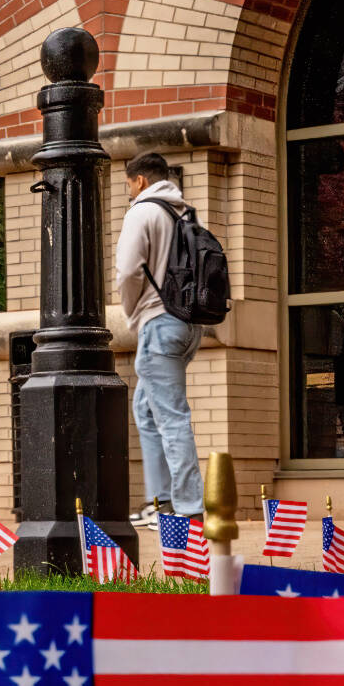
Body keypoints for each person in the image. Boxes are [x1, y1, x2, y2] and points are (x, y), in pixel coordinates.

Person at [114, 151, 204, 526]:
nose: (129, 191)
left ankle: (186, 509)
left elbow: (128, 272)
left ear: (140, 181)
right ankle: (161, 501)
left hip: (159, 323)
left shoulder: (142, 211)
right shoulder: (186, 212)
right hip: (189, 325)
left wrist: (132, 312)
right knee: (146, 410)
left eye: (128, 185)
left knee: (171, 418)